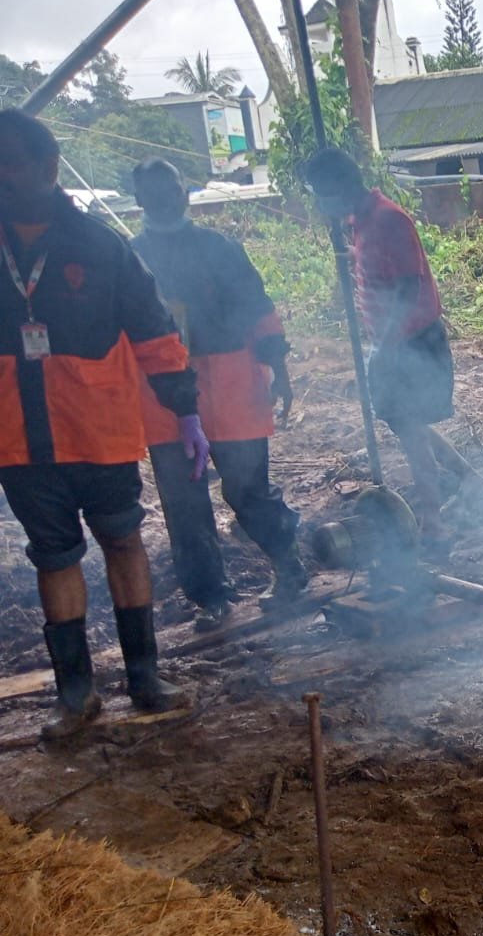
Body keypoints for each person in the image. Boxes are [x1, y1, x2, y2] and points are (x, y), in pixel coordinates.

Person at [0, 111, 201, 738]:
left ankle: (144, 679)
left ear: (48, 166)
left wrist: (186, 409)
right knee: (54, 557)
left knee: (122, 541)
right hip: (18, 440)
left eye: (15, 162)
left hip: (101, 432)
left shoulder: (98, 245)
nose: (5, 175)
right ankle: (75, 696)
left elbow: (154, 329)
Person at [130, 159, 306, 629]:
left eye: (172, 188)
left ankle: (290, 567)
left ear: (185, 192)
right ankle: (212, 599)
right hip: (163, 393)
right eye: (154, 191)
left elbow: (258, 307)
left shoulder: (220, 248)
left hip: (232, 384)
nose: (166, 198)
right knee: (184, 506)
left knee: (248, 491)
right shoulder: (130, 257)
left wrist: (280, 369)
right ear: (139, 199)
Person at [301, 148, 455, 545]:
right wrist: (352, 256)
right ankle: (467, 477)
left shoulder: (389, 219)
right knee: (406, 422)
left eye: (320, 193)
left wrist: (384, 348)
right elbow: (383, 268)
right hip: (393, 342)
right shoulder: (361, 223)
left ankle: (434, 524)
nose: (319, 203)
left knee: (410, 429)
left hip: (412, 343)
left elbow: (407, 285)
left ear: (338, 187)